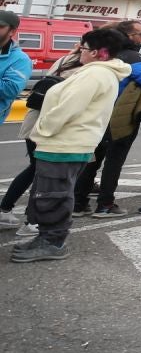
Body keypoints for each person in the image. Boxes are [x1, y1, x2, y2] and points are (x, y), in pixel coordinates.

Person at [9, 27, 130, 264]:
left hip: (65, 144)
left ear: (97, 52)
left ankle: (53, 241)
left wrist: (42, 132)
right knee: (53, 192)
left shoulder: (94, 74)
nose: (79, 52)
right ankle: (48, 237)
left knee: (53, 193)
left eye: (83, 48)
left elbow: (67, 108)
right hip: (69, 143)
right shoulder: (99, 72)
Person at [0, 41, 89, 230]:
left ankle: (6, 209)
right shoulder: (86, 71)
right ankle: (31, 221)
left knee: (35, 168)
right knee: (44, 172)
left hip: (35, 118)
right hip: (50, 124)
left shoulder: (64, 59)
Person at [72, 51, 141, 216]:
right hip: (120, 120)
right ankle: (105, 205)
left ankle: (78, 203)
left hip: (95, 118)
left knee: (91, 160)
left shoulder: (94, 62)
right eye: (140, 34)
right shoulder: (133, 60)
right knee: (113, 163)